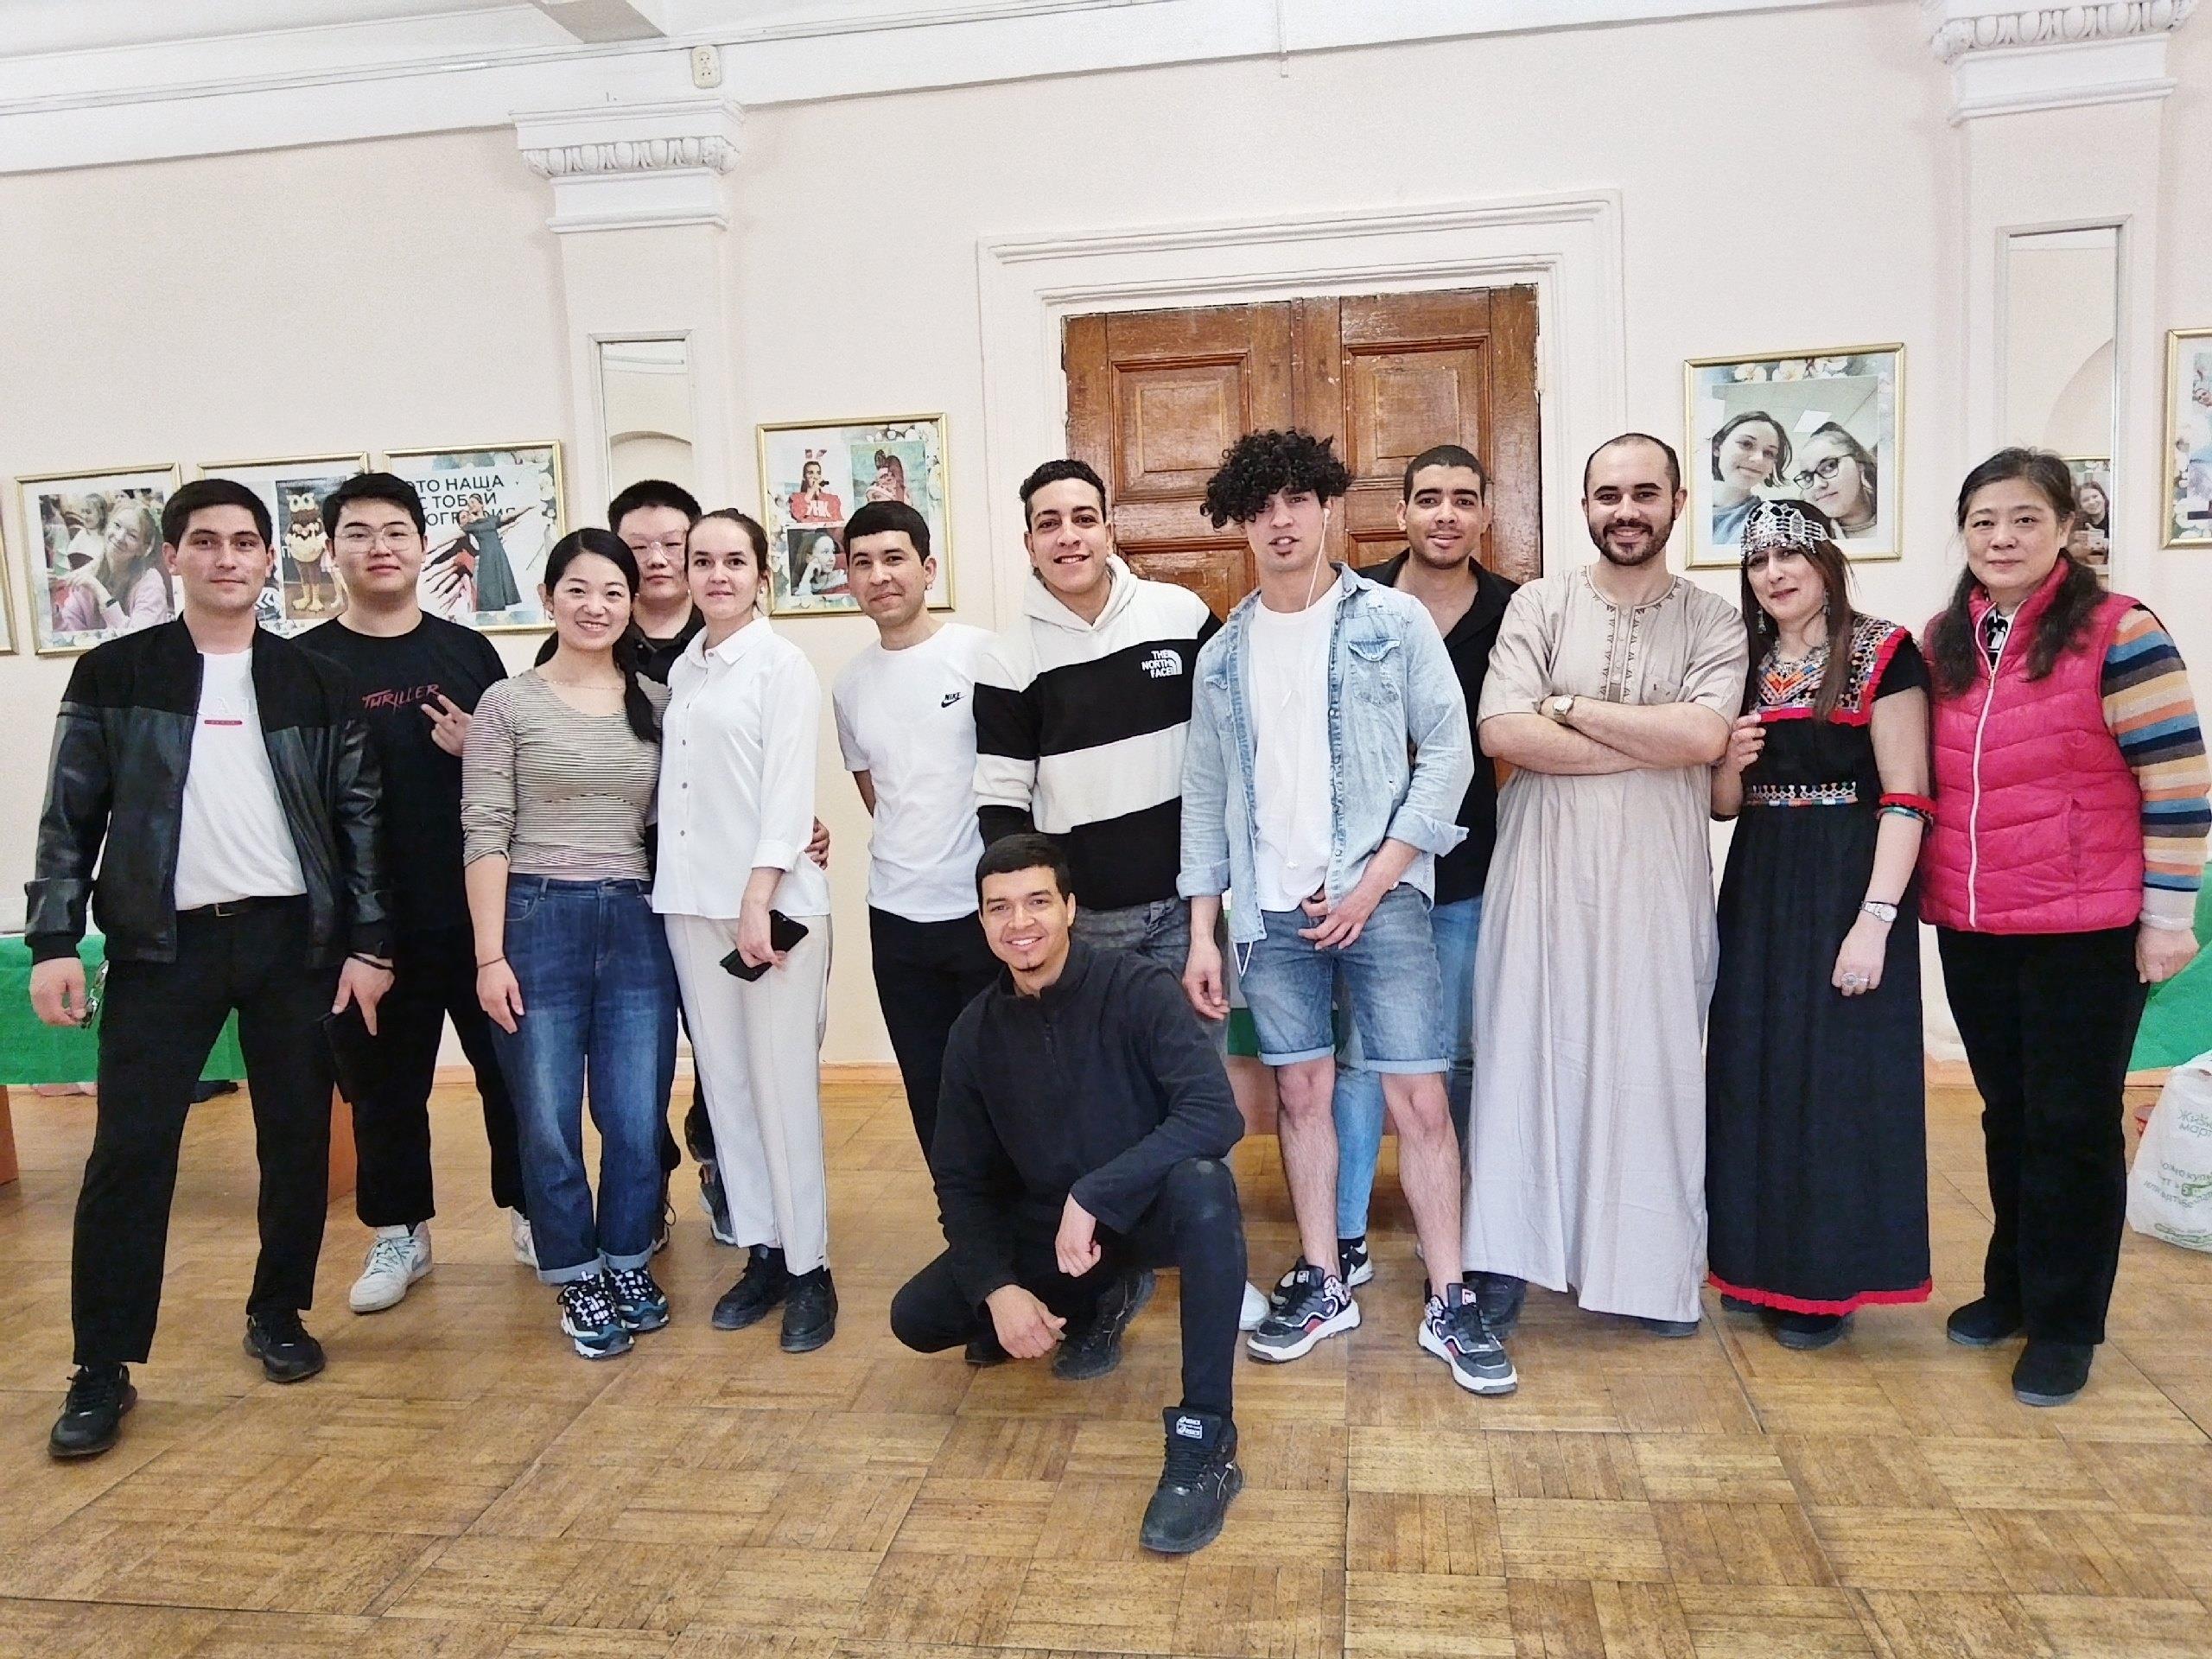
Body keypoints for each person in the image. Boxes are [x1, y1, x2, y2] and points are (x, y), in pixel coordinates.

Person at [29, 477, 392, 1459]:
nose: (226, 558)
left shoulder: (315, 681)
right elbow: (69, 818)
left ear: (270, 560)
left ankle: (278, 1311)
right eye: (205, 541)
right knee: (129, 1156)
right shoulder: (115, 674)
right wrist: (54, 941)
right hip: (163, 947)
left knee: (296, 1143)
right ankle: (101, 1366)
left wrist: (370, 946)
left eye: (243, 542)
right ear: (174, 558)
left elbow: (360, 825)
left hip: (292, 946)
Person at [1179, 429, 1508, 1395]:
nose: (1280, 522)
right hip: (1271, 918)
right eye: (1260, 508)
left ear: (1328, 508)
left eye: (1296, 501)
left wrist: (1375, 881)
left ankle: (1450, 1298)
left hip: (1385, 902)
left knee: (1420, 1100)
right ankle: (1325, 1281)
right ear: (1242, 525)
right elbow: (1205, 795)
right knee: (1301, 1095)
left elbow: (1449, 753)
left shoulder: (1391, 621)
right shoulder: (1222, 654)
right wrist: (1203, 930)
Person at [1922, 447, 2207, 1407]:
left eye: (2024, 520)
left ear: (2065, 530)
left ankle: (2067, 1322)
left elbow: (2177, 780)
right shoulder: (1945, 640)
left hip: (2086, 929)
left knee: (2073, 1125)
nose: (2001, 538)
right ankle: (2011, 1289)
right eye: (1983, 522)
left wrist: (2167, 919)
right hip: (1975, 922)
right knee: (2008, 1115)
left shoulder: (2120, 630)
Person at [892, 834, 1249, 1554]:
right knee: (919, 1318)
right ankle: (1099, 1298)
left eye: (1037, 902)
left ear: (1070, 908)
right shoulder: (975, 1032)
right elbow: (960, 1181)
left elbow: (1215, 1115)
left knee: (1207, 1189)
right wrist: (998, 1289)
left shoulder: (1137, 989)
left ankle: (1206, 1437)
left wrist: (1095, 1194)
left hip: (1142, 1210)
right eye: (999, 908)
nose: (1019, 923)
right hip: (1054, 1233)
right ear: (982, 921)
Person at [1467, 434, 1748, 1338]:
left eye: (1644, 494)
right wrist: (1649, 738)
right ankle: (1509, 1257)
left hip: (1658, 880)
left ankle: (1647, 1272)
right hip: (1542, 872)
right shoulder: (1539, 605)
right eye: (1608, 495)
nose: (1626, 511)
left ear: (1677, 504)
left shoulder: (1715, 620)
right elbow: (1501, 731)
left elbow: (1704, 738)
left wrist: (1570, 708)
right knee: (1524, 1055)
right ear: (1584, 506)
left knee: (1650, 1064)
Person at [300, 472, 533, 1312]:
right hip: (366, 927)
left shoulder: (467, 654)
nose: (380, 547)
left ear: (422, 543)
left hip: (476, 914)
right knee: (383, 1087)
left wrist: (482, 749)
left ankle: (531, 1210)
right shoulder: (302, 665)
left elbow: (520, 774)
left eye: (395, 531)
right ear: (332, 552)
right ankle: (400, 1232)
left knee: (511, 1075)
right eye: (358, 533)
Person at [1704, 499, 1932, 1349]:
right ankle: (1752, 1262)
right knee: (1753, 1067)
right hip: (1760, 881)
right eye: (1758, 561)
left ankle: (1823, 1283)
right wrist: (1726, 764)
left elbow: (1907, 795)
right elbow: (1725, 807)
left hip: (1847, 881)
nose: (1774, 574)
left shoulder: (1884, 652)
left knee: (1835, 1082)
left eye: (1790, 556)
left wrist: (1875, 922)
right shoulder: (1743, 662)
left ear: (1826, 562)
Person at [463, 530, 677, 1361]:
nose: (596, 606)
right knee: (548, 1119)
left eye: (614, 592)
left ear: (633, 604)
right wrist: (489, 956)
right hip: (534, 918)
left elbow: (695, 814)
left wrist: (795, 833)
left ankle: (626, 1258)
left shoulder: (657, 702)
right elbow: (485, 830)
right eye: (579, 590)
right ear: (549, 598)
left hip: (635, 919)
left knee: (635, 1114)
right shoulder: (507, 704)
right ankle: (575, 1271)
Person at [1331, 445, 1518, 1295]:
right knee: (1362, 1058)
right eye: (1430, 499)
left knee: (1459, 1056)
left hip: (1470, 865)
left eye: (1463, 500)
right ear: (1401, 512)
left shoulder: (1514, 610)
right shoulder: (1353, 600)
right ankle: (1344, 1234)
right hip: (1368, 874)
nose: (1446, 514)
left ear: (1485, 514)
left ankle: (1467, 1225)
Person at [655, 510, 839, 1351]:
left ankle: (810, 1268)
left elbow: (786, 791)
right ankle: (763, 1251)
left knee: (780, 1088)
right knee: (726, 1087)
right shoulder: (687, 668)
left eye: (734, 561)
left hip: (772, 908)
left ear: (762, 576)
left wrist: (758, 895)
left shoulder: (781, 665)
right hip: (691, 905)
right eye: (703, 561)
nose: (717, 575)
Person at [975, 459, 1218, 969]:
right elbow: (1002, 808)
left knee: (1191, 1030)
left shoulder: (1182, 615)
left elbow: (1236, 740)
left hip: (1190, 907)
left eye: (1083, 519)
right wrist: (1041, 912)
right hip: (1083, 922)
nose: (1068, 536)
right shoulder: (1006, 661)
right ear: (1030, 545)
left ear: (1109, 531)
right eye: (1049, 524)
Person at [832, 499, 996, 1159]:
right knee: (929, 1089)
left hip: (984, 911)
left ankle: (1027, 1222)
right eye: (863, 563)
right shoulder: (849, 684)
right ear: (848, 577)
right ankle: (958, 1217)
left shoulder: (981, 654)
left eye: (894, 558)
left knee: (1004, 1086)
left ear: (927, 569)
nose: (880, 576)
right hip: (897, 917)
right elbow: (876, 793)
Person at [55, 499, 171, 635]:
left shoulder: (150, 583)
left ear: (142, 548)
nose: (120, 537)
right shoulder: (89, 575)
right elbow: (70, 635)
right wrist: (53, 612)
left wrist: (100, 591)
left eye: (132, 536)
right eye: (117, 525)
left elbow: (140, 640)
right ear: (107, 526)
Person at [1710, 411, 1789, 550]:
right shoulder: (1688, 504)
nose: (1758, 459)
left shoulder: (1767, 521)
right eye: (1747, 444)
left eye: (1769, 453)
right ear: (1717, 447)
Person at [1789, 423, 1879, 540]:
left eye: (1830, 466)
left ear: (1859, 463)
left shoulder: (1897, 514)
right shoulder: (1807, 540)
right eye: (1808, 478)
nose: (1817, 484)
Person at [458, 493, 522, 613]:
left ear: (481, 504)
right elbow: (457, 533)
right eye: (469, 504)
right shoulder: (471, 526)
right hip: (487, 556)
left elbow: (510, 516)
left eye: (473, 502)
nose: (470, 505)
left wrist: (528, 507)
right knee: (490, 586)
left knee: (502, 583)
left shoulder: (492, 519)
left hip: (498, 555)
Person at [787, 454, 843, 527]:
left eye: (818, 473)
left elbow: (838, 522)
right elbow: (799, 516)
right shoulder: (796, 498)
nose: (815, 476)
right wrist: (812, 490)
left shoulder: (831, 499)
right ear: (804, 477)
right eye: (811, 473)